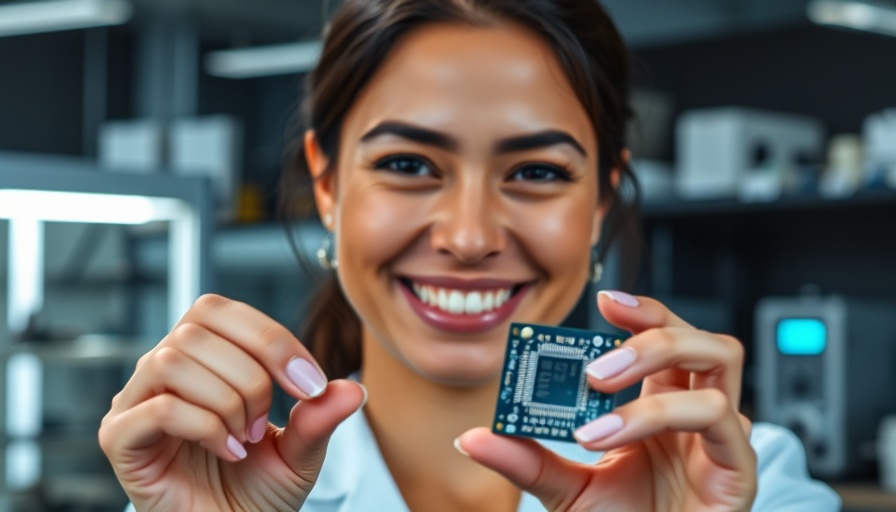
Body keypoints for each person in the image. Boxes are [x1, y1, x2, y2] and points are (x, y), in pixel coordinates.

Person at [100, 0, 841, 510]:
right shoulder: (215, 488)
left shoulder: (747, 482)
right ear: (327, 186)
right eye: (409, 164)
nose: (468, 235)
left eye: (537, 172)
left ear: (601, 202)